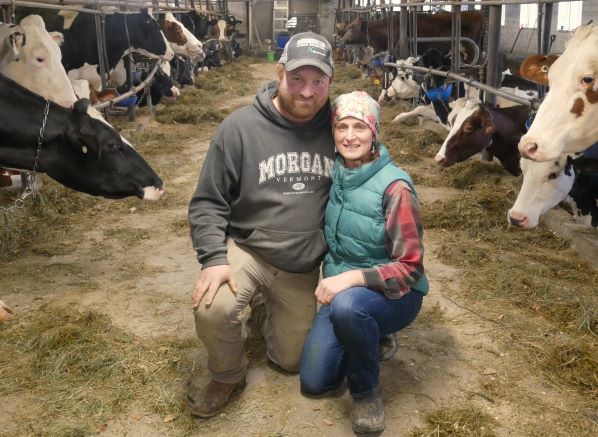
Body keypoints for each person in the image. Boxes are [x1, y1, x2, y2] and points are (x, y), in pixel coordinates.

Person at [186, 32, 336, 418]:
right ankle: (227, 375)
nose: (307, 91)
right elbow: (207, 201)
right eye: (297, 79)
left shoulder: (339, 128)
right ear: (279, 72)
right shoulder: (239, 128)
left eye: (318, 81)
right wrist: (213, 258)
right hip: (248, 249)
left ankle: (269, 311)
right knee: (212, 307)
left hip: (301, 263)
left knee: (293, 362)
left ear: (330, 81)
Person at [299, 91, 429, 434]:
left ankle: (366, 392)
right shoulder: (335, 174)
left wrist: (350, 279)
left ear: (374, 132)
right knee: (315, 381)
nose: (349, 136)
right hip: (343, 290)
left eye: (360, 126)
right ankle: (367, 334)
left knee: (348, 309)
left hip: (396, 293)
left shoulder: (395, 188)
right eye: (342, 127)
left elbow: (411, 267)